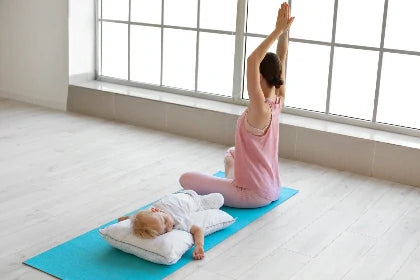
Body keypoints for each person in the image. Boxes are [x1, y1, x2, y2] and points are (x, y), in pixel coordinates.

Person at [179, 3, 294, 208]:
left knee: (186, 178)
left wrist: (278, 30)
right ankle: (228, 184)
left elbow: (252, 60)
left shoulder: (260, 107)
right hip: (273, 188)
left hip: (252, 194)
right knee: (232, 153)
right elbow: (282, 56)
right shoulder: (278, 102)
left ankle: (229, 187)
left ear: (259, 77)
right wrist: (285, 31)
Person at [118, 190, 224, 260]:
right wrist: (199, 246)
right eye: (164, 231)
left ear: (155, 210)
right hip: (199, 201)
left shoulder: (157, 213)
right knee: (219, 198)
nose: (168, 227)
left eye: (164, 221)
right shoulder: (178, 221)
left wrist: (128, 218)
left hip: (184, 193)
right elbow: (197, 230)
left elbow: (138, 217)